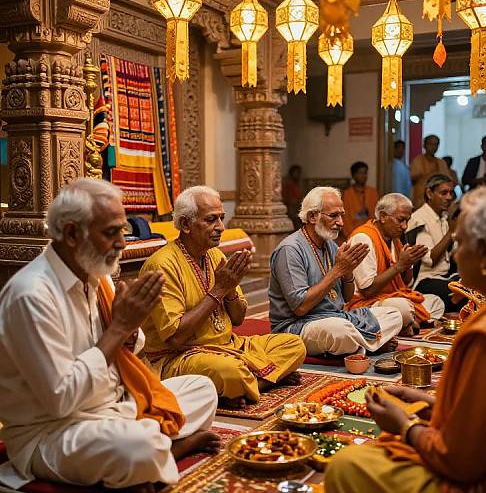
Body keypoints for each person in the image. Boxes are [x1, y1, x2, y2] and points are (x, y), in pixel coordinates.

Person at [0, 178, 220, 490]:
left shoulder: (95, 275)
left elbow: (129, 352)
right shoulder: (32, 295)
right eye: (110, 232)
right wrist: (118, 328)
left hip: (115, 407)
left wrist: (130, 326)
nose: (121, 243)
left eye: (122, 230)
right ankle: (164, 451)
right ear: (73, 234)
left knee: (203, 389)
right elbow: (60, 401)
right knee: (136, 446)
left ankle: (150, 457)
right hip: (54, 430)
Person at [325, 183, 486, 493]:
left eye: (460, 243)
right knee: (408, 306)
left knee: (348, 465)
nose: (455, 254)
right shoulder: (363, 238)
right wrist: (431, 403)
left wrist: (406, 425)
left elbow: (459, 463)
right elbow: (366, 290)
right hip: (368, 306)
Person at [141, 186, 306, 409]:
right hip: (180, 356)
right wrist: (219, 289)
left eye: (221, 218)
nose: (220, 227)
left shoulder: (215, 255)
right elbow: (174, 338)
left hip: (230, 346)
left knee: (293, 344)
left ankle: (245, 386)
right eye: (211, 220)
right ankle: (258, 380)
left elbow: (238, 319)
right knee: (230, 371)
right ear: (186, 225)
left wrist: (229, 288)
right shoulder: (162, 265)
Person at [269, 186, 403, 357]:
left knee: (394, 314)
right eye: (333, 216)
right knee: (339, 331)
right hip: (297, 327)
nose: (340, 222)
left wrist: (348, 271)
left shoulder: (330, 245)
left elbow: (346, 298)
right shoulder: (290, 249)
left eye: (341, 215)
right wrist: (338, 270)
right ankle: (371, 345)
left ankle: (358, 345)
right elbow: (300, 308)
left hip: (337, 317)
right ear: (312, 216)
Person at [347, 193, 445, 331]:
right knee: (403, 308)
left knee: (436, 301)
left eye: (407, 220)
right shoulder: (363, 238)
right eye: (400, 220)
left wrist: (410, 263)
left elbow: (405, 284)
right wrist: (400, 265)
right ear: (383, 216)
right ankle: (410, 322)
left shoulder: (395, 240)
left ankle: (406, 324)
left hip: (390, 300)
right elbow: (368, 291)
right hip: (365, 304)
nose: (405, 226)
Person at [406, 174, 464, 313]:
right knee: (463, 296)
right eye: (444, 193)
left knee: (476, 286)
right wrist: (451, 232)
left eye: (451, 193)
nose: (449, 197)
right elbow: (430, 259)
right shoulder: (419, 219)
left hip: (447, 277)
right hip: (425, 281)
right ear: (429, 193)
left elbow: (454, 256)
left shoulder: (444, 218)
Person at [410, 135, 451, 209]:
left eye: (436, 144)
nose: (433, 147)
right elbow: (412, 179)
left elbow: (448, 181)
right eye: (431, 144)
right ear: (424, 145)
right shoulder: (417, 160)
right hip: (420, 200)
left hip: (439, 201)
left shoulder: (441, 162)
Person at [341, 161, 378, 238]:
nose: (364, 176)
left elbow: (376, 216)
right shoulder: (347, 194)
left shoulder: (373, 192)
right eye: (360, 173)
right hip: (352, 233)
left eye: (365, 173)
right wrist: (352, 235)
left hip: (371, 232)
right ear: (353, 175)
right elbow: (345, 218)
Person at [282, 165, 304, 230]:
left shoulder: (298, 184)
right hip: (291, 208)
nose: (298, 175)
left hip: (297, 208)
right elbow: (289, 199)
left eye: (299, 173)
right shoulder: (289, 185)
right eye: (296, 173)